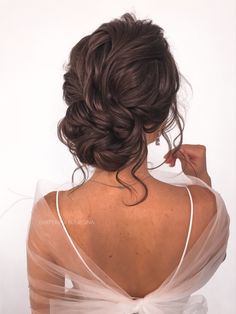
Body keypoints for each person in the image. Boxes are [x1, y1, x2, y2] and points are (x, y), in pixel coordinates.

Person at [26, 12, 230, 313]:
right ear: (161, 116)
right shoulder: (205, 209)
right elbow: (211, 255)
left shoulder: (52, 218)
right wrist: (204, 187)